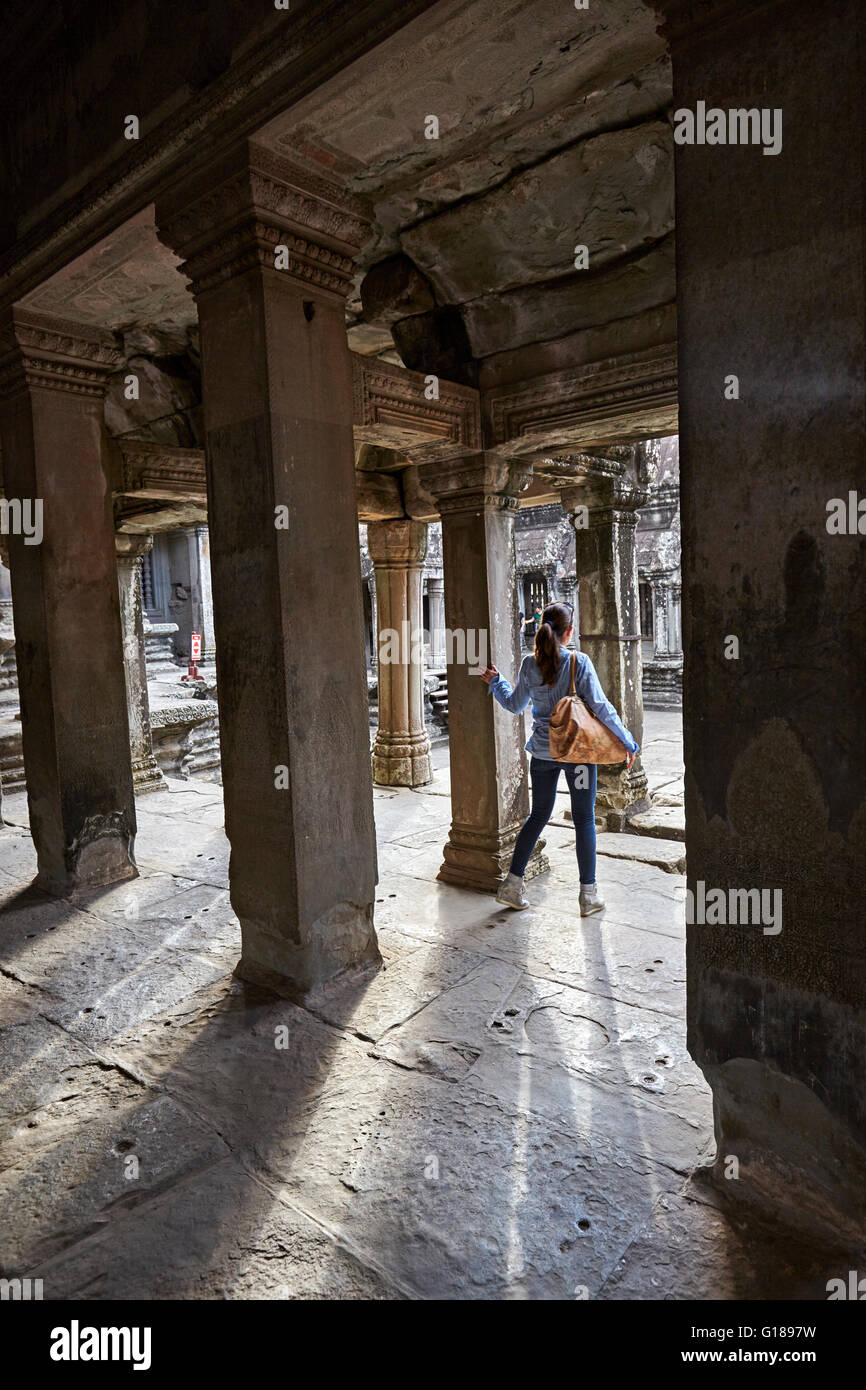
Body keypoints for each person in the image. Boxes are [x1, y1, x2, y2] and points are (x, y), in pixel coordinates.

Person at [477, 601, 639, 916]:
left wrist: (496, 682)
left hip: (543, 754)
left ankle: (511, 885)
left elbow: (513, 704)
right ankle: (588, 896)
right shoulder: (579, 662)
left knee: (538, 816)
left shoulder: (529, 663)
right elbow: (602, 707)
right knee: (584, 820)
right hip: (577, 755)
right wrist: (627, 742)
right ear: (569, 631)